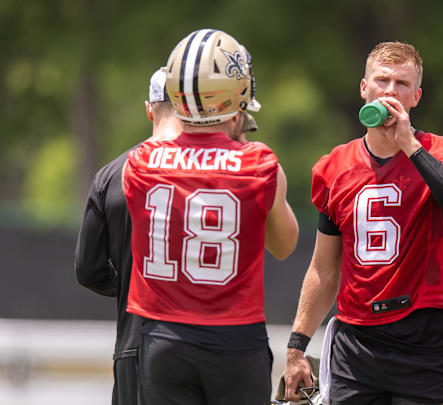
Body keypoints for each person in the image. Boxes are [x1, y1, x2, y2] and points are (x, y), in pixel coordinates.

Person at [283, 41, 443, 405]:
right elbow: (323, 270)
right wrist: (296, 347)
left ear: (416, 96)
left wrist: (408, 145)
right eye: (382, 80)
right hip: (356, 342)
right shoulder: (333, 167)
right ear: (363, 88)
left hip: (423, 334)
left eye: (402, 84)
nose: (390, 91)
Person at [123, 29, 298, 405]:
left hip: (161, 338)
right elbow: (284, 246)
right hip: (233, 341)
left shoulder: (139, 163)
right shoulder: (259, 164)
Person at [75, 67, 182, 405]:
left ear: (149, 109)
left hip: (135, 344)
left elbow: (88, 269)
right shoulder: (210, 171)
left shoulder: (110, 175)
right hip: (200, 343)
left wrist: (130, 283)